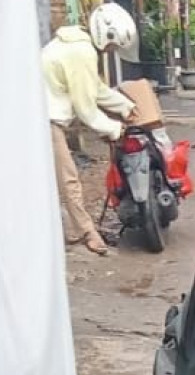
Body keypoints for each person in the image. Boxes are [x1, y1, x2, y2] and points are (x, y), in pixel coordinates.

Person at [42, 5, 137, 255]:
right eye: (113, 46)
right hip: (45, 121)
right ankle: (87, 233)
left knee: (54, 181)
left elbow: (94, 88)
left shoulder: (77, 47)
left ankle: (71, 230)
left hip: (46, 118)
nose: (111, 50)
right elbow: (86, 108)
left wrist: (127, 107)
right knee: (69, 179)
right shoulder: (80, 52)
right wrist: (115, 128)